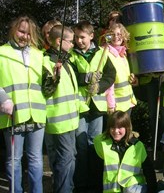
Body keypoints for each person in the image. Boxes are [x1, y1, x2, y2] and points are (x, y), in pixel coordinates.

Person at [0, 15, 47, 193]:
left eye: (28, 33)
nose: (24, 36)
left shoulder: (38, 54)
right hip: (13, 113)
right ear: (13, 30)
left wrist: (54, 76)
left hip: (36, 114)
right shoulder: (2, 52)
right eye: (21, 31)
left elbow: (46, 84)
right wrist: (2, 98)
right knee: (14, 159)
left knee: (36, 159)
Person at [70, 20, 116, 192]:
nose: (79, 41)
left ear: (91, 36)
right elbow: (72, 75)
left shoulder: (101, 53)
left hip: (97, 107)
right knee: (80, 146)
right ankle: (81, 183)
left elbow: (111, 75)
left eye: (82, 37)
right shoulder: (72, 55)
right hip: (81, 105)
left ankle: (96, 181)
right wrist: (86, 79)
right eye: (76, 37)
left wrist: (100, 86)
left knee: (94, 143)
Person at [42, 25, 79, 192]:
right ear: (59, 41)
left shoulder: (66, 62)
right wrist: (54, 77)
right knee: (66, 158)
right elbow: (46, 90)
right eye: (70, 41)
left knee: (67, 158)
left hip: (70, 120)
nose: (73, 44)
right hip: (58, 121)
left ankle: (65, 187)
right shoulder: (47, 62)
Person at [93, 110, 158, 193]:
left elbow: (148, 170)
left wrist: (152, 190)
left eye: (120, 128)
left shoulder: (137, 146)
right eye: (112, 127)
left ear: (127, 128)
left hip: (133, 188)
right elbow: (96, 171)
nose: (116, 131)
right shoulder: (102, 144)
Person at [103, 23, 137, 114]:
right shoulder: (106, 54)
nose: (116, 37)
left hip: (128, 103)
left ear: (124, 36)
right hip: (116, 106)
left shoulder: (123, 54)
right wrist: (111, 105)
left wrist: (133, 80)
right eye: (113, 34)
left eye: (119, 34)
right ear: (108, 36)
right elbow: (107, 82)